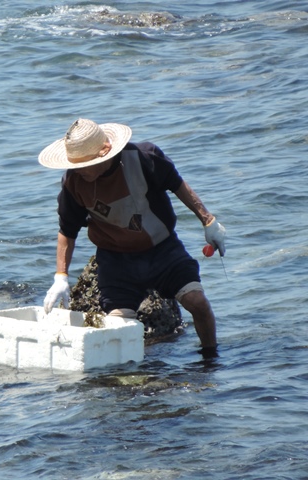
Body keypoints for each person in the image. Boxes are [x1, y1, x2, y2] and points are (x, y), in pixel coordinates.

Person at [38, 118, 226, 358]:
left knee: (197, 302)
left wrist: (208, 221)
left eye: (85, 165)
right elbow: (67, 230)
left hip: (163, 251)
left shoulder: (143, 157)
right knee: (117, 327)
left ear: (103, 154)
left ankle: (210, 360)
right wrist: (61, 277)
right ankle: (127, 383)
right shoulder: (73, 183)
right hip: (116, 263)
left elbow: (178, 185)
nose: (79, 170)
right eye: (75, 165)